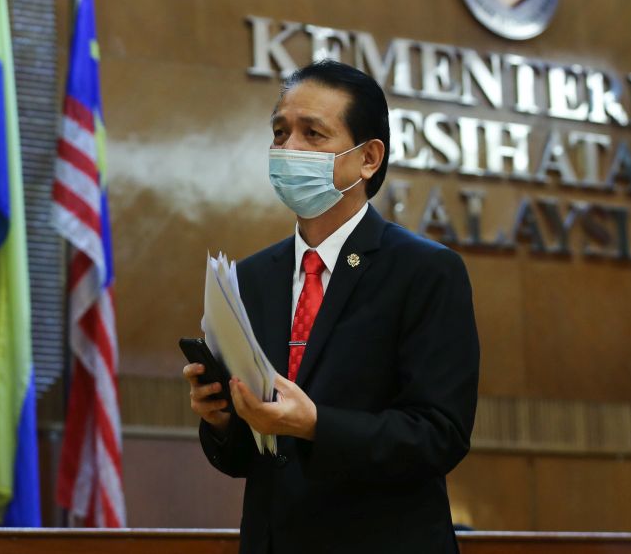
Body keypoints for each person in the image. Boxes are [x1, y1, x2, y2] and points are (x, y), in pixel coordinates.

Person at [182, 60, 480, 553]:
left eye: (313, 134)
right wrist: (220, 420)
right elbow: (249, 457)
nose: (288, 149)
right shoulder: (251, 277)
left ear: (368, 158)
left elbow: (439, 435)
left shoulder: (425, 271)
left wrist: (316, 424)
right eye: (280, 132)